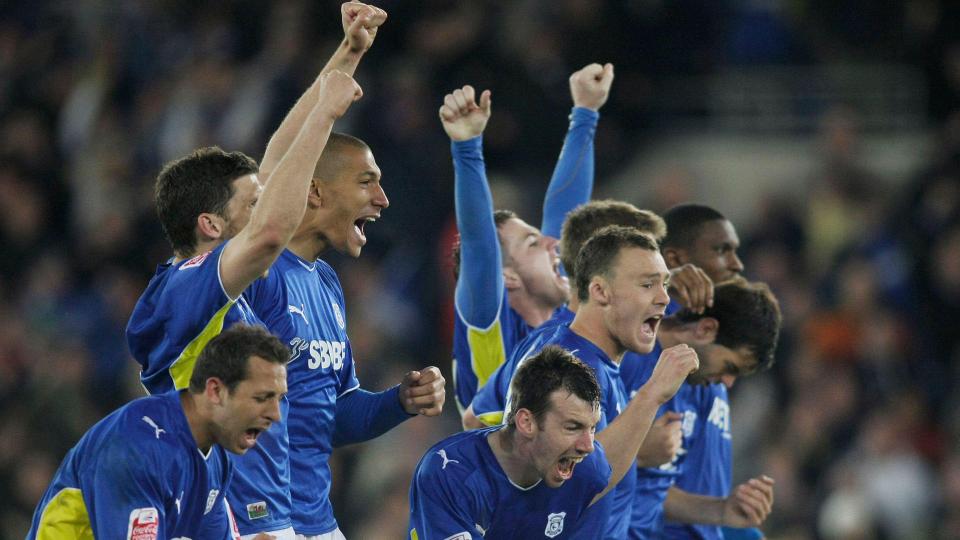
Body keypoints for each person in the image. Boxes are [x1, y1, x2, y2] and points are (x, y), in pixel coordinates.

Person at [125, 4, 379, 537]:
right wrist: (326, 117)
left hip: (273, 515)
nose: (270, 214)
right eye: (252, 204)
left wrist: (348, 54)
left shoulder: (224, 287)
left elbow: (278, 161)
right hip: (230, 517)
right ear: (211, 226)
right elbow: (268, 231)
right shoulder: (185, 287)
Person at [246, 129, 446, 539]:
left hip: (314, 519)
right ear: (316, 192)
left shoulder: (327, 283)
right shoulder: (255, 277)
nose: (382, 198)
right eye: (365, 181)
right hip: (256, 517)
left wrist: (399, 401)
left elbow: (329, 416)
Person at [466, 225, 682, 538]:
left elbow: (475, 418)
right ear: (600, 291)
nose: (664, 298)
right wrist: (652, 396)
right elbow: (577, 480)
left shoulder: (553, 344)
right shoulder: (578, 368)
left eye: (664, 284)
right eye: (647, 285)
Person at [444, 62, 615, 413]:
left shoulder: (558, 305)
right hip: (495, 469)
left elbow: (567, 217)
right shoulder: (486, 323)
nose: (553, 244)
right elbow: (479, 243)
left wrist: (585, 111)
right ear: (506, 276)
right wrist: (466, 148)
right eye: (534, 244)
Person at [408, 341, 697, 539]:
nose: (587, 445)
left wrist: (655, 394)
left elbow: (608, 469)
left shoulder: (583, 469)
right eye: (572, 427)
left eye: (592, 428)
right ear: (526, 422)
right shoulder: (448, 475)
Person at [28, 325, 289, 539]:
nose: (275, 415)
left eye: (279, 399)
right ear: (215, 391)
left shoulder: (216, 456)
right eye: (262, 398)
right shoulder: (136, 449)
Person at [463, 199, 667, 428]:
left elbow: (476, 418)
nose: (662, 295)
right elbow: (582, 459)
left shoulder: (576, 340)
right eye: (644, 277)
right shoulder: (568, 357)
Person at [620, 277, 781, 538]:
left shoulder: (696, 385)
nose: (726, 384)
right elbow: (574, 459)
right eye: (730, 367)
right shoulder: (625, 352)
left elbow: (653, 492)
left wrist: (722, 510)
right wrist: (635, 451)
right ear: (705, 329)